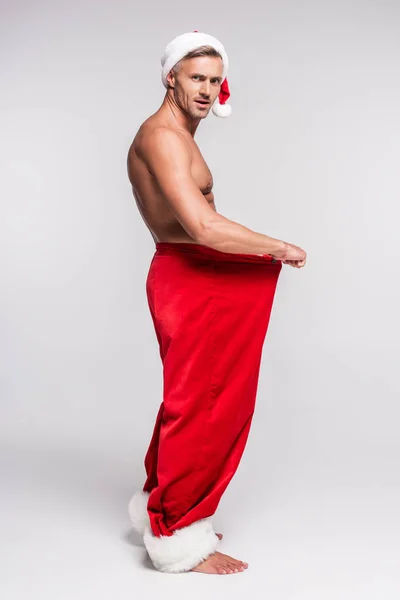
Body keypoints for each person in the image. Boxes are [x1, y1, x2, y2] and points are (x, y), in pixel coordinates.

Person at [126, 31, 307, 575]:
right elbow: (202, 227)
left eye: (213, 79)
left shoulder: (178, 133)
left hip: (193, 277)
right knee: (203, 407)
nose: (206, 89)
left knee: (194, 400)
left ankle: (160, 508)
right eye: (195, 77)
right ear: (170, 78)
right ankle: (177, 534)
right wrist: (277, 245)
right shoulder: (163, 137)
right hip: (190, 280)